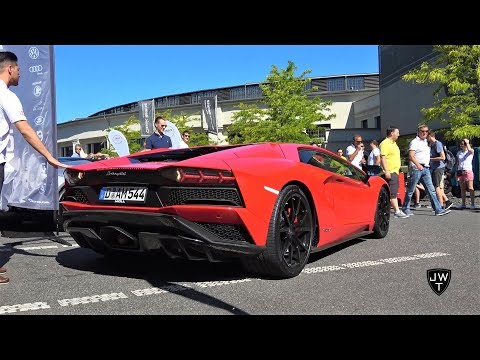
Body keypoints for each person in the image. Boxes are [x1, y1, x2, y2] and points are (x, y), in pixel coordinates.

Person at [0, 51, 70, 285]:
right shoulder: (6, 95)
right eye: (18, 68)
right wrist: (49, 156)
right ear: (9, 69)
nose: (20, 72)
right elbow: (26, 130)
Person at [401, 125, 451, 216]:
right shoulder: (414, 142)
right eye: (422, 131)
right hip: (416, 168)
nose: (424, 133)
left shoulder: (426, 142)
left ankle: (438, 209)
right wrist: (418, 165)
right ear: (418, 132)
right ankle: (405, 208)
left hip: (426, 168)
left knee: (431, 190)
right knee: (411, 189)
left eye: (426, 131)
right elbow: (411, 156)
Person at [379, 126, 408, 218]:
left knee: (393, 191)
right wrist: (386, 171)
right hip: (390, 171)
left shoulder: (394, 143)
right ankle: (397, 211)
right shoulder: (385, 143)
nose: (399, 134)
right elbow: (382, 158)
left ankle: (390, 210)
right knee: (393, 192)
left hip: (395, 171)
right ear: (392, 133)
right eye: (397, 132)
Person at [427, 130, 452, 210]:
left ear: (430, 136)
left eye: (426, 136)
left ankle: (440, 206)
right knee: (438, 187)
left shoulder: (437, 144)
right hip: (435, 167)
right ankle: (447, 202)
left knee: (436, 187)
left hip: (438, 168)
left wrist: (430, 159)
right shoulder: (431, 144)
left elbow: (442, 157)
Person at [455, 138, 478, 209]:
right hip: (460, 170)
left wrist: (467, 143)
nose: (462, 145)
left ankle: (473, 204)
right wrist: (456, 172)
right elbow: (458, 163)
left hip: (468, 171)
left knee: (470, 187)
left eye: (464, 144)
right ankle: (463, 204)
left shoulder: (470, 151)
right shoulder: (459, 153)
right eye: (461, 144)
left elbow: (470, 150)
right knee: (462, 188)